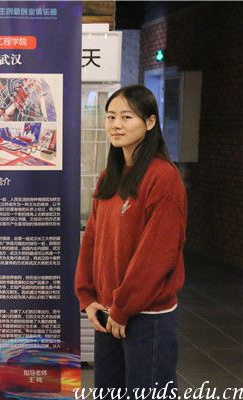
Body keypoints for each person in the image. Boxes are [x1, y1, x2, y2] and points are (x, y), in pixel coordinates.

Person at [74, 84, 187, 397]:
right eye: (111, 116)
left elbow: (157, 255)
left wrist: (123, 307)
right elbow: (92, 240)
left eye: (127, 117)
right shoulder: (108, 177)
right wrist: (87, 296)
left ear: (149, 122)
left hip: (146, 317)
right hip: (108, 312)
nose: (116, 125)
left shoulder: (163, 177)